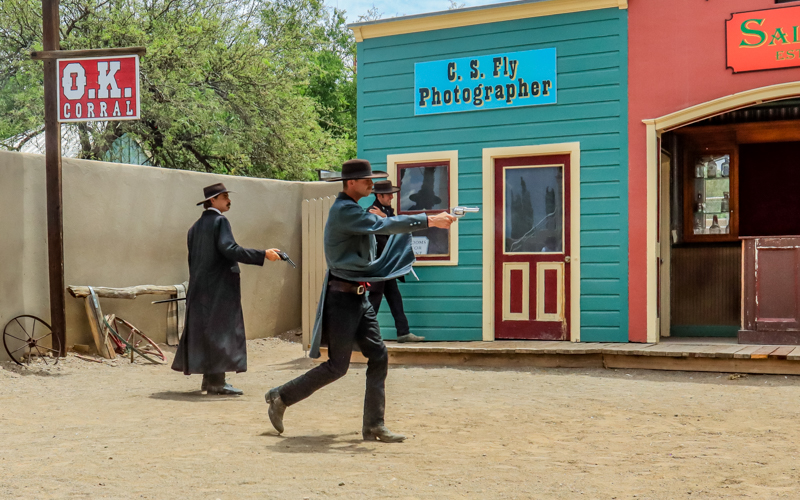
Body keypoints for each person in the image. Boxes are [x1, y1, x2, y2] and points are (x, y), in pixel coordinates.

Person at [265, 159, 456, 442]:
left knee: (379, 355)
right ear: (350, 183)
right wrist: (429, 220)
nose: (371, 184)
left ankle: (374, 425)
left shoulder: (353, 209)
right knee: (337, 366)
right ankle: (281, 396)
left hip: (359, 297)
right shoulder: (345, 211)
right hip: (341, 298)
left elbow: (384, 226)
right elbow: (385, 225)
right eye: (366, 180)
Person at [172, 183, 281, 395]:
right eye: (223, 197)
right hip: (219, 289)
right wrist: (263, 254)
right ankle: (216, 383)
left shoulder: (194, 228)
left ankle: (210, 379)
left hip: (200, 288)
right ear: (212, 201)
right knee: (221, 332)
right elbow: (229, 249)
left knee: (208, 332)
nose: (228, 200)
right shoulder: (220, 222)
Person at [367, 180, 423, 343]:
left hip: (388, 265)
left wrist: (386, 218)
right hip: (379, 265)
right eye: (388, 194)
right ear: (379, 195)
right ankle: (362, 334)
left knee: (394, 298)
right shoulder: (371, 213)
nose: (392, 197)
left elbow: (395, 227)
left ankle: (403, 332)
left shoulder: (385, 213)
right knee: (374, 300)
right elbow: (379, 240)